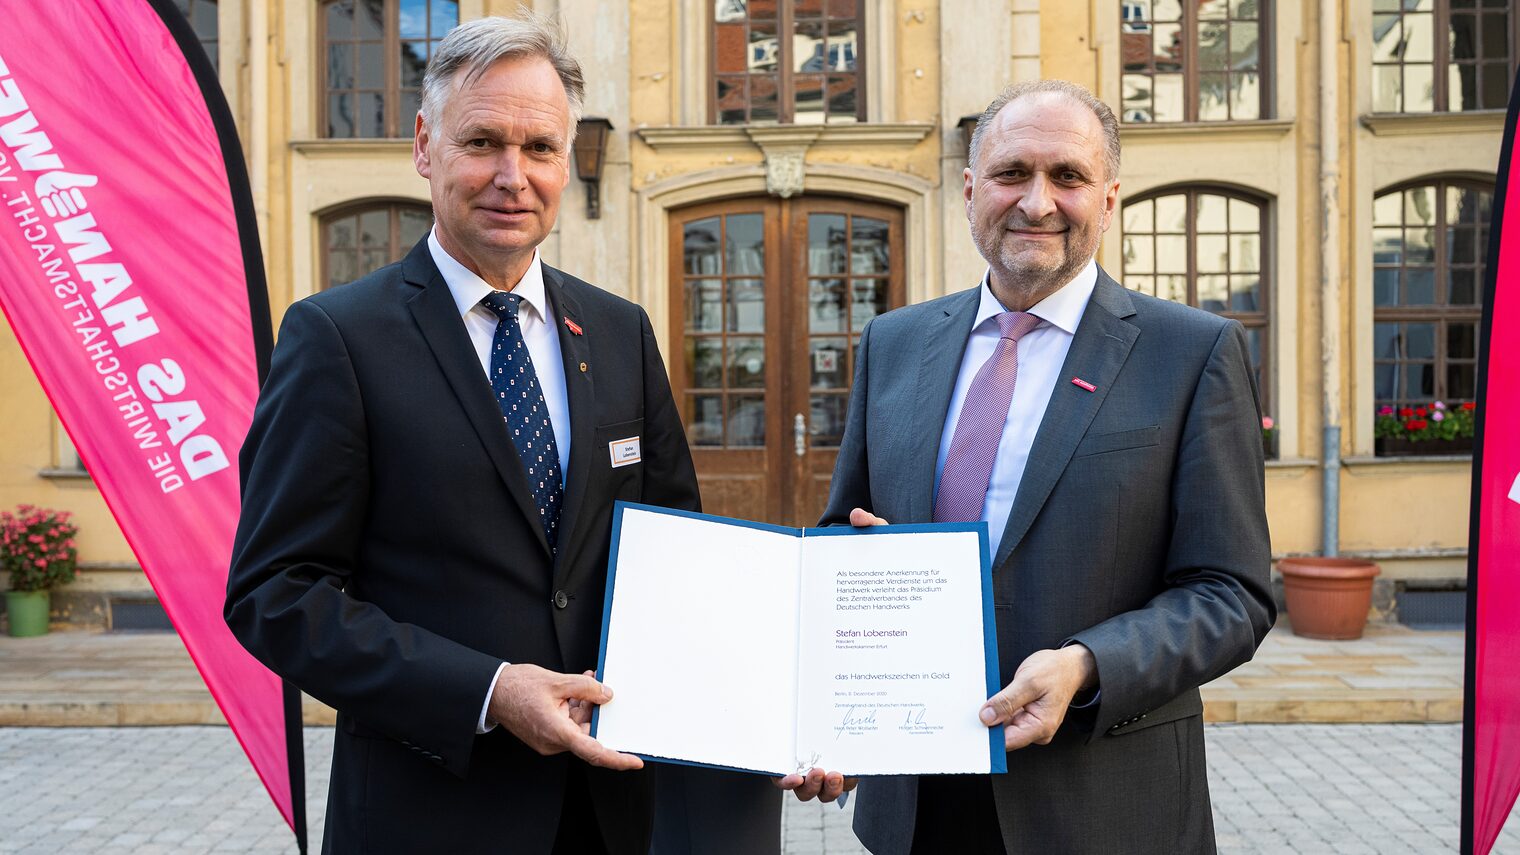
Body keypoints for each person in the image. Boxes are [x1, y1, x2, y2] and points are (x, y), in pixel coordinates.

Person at [225, 14, 748, 854]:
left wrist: (787, 698)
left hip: (607, 812)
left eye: (540, 147)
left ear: (567, 158)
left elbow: (673, 555)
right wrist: (490, 689)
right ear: (426, 147)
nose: (514, 176)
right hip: (430, 812)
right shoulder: (337, 338)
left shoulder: (619, 332)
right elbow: (276, 593)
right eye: (483, 142)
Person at [781, 80, 1277, 854]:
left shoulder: (1192, 353)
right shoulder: (894, 344)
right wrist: (828, 713)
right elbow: (842, 536)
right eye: (1013, 173)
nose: (1037, 202)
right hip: (918, 805)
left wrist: (1087, 663)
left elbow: (1233, 594)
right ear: (972, 188)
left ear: (1108, 199)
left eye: (1068, 177)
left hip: (1104, 803)